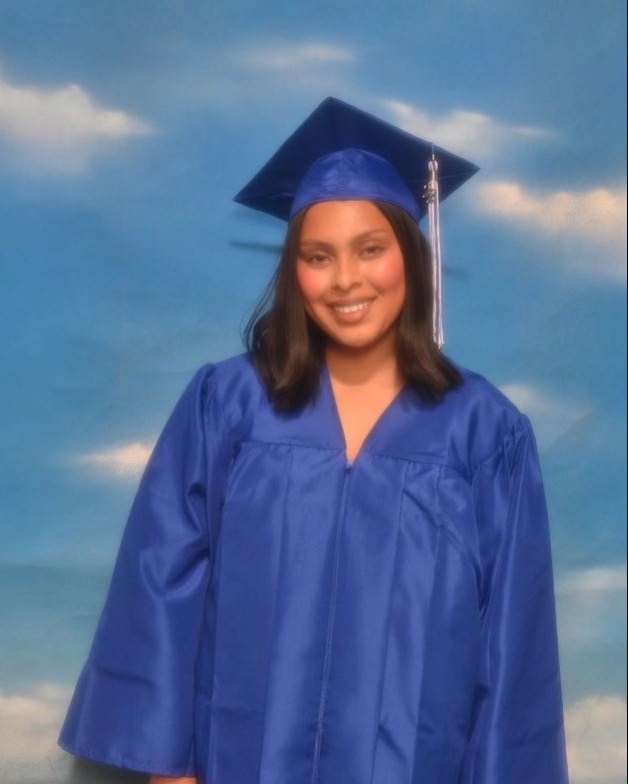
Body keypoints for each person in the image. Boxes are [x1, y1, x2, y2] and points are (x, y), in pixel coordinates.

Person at [57, 97, 569, 784]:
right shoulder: (228, 405)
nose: (346, 280)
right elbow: (159, 584)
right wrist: (166, 762)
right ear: (294, 273)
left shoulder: (487, 434)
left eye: (371, 250)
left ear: (412, 257)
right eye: (317, 256)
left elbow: (515, 642)